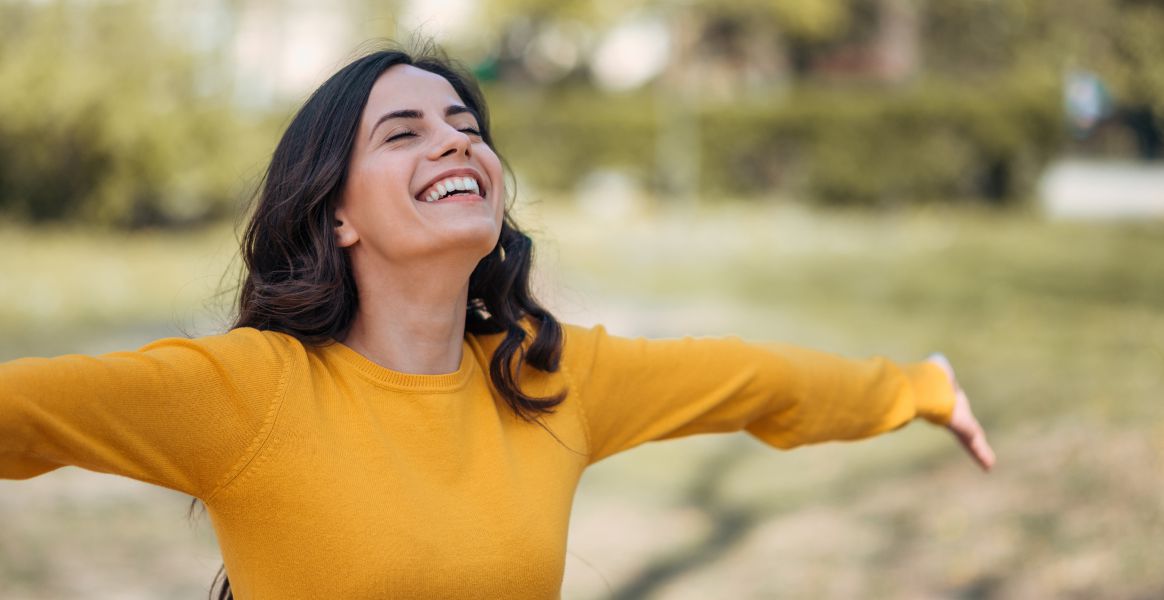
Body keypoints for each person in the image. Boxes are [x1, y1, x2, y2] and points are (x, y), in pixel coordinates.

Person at [0, 45, 995, 600]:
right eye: (405, 131)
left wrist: (918, 388)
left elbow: (753, 383)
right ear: (335, 212)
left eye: (468, 127)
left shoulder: (546, 376)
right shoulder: (252, 392)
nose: (458, 142)